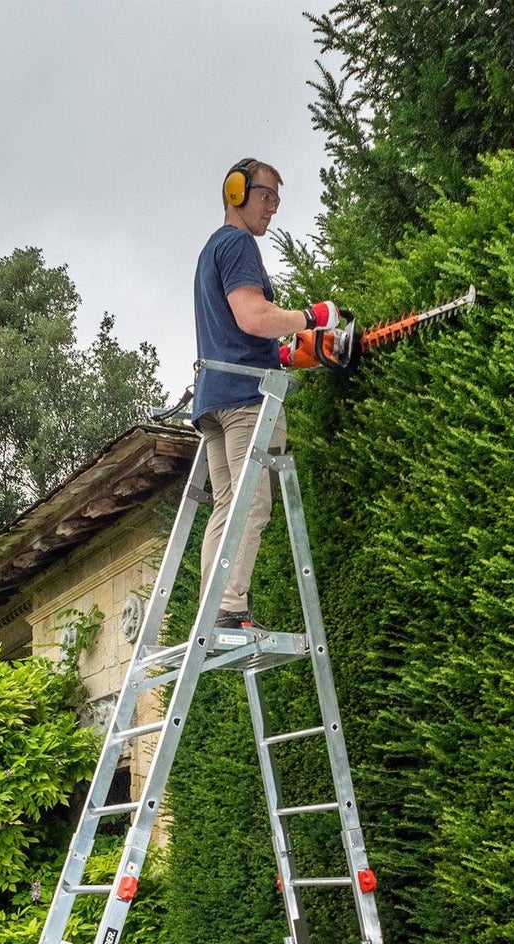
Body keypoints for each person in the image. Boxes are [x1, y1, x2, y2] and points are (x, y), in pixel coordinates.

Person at [192, 159, 336, 628]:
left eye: (277, 199)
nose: (273, 208)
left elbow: (239, 334)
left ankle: (212, 610)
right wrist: (313, 317)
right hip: (246, 398)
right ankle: (231, 609)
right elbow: (253, 317)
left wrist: (286, 354)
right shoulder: (237, 243)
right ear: (236, 192)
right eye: (265, 195)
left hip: (215, 398)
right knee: (253, 503)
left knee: (229, 503)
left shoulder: (210, 250)